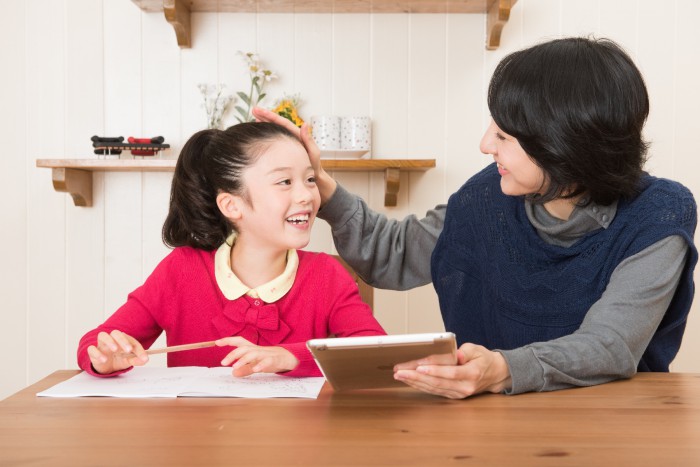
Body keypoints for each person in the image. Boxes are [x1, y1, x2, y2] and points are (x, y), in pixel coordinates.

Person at [254, 36, 698, 398]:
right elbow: (393, 254)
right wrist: (317, 182)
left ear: (564, 145)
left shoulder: (657, 215)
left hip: (615, 422)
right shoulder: (488, 193)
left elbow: (610, 344)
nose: (486, 144)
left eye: (504, 135)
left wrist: (503, 368)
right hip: (490, 423)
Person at [77, 122, 385, 378]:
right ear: (231, 205)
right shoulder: (181, 270)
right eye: (285, 182)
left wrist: (290, 357)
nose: (306, 195)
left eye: (309, 179)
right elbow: (95, 342)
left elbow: (375, 352)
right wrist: (103, 358)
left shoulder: (327, 275)